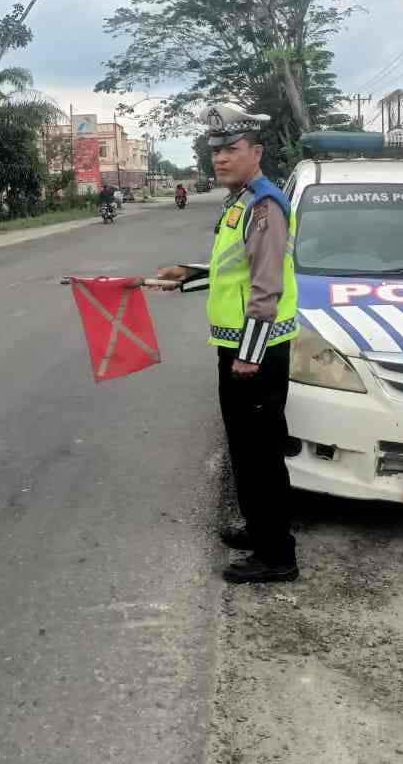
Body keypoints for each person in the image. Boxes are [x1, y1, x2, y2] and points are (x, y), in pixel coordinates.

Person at [155, 103, 300, 584]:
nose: (220, 158)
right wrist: (185, 277)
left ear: (255, 152)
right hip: (239, 347)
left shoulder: (264, 204)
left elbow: (265, 286)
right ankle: (260, 529)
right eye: (215, 149)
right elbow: (228, 273)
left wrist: (249, 355)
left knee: (260, 453)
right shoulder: (238, 201)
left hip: (256, 353)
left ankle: (277, 556)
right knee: (244, 446)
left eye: (231, 149)